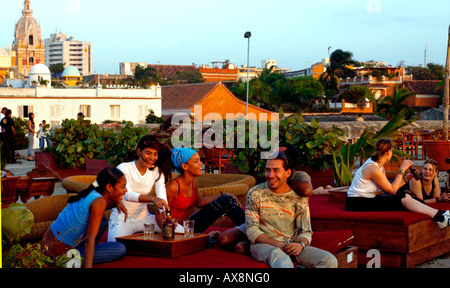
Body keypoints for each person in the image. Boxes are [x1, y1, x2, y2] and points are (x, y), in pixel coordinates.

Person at [242, 152, 337, 268]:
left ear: (288, 173)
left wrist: (300, 245)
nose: (270, 175)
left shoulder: (298, 197)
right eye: (268, 170)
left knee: (329, 260)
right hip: (262, 245)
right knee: (282, 261)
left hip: (291, 245)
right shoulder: (255, 193)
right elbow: (252, 230)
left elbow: (306, 231)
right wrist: (279, 245)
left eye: (276, 170)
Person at [345, 138, 450, 229]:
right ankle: (440, 218)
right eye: (391, 151)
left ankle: (440, 213)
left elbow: (389, 188)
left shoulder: (379, 166)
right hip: (356, 203)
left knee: (406, 196)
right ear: (388, 152)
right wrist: (402, 169)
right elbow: (392, 190)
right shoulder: (373, 168)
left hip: (366, 199)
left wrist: (405, 180)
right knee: (403, 199)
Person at [42, 167, 128, 268]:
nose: (125, 190)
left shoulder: (92, 193)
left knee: (102, 221)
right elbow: (89, 239)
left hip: (47, 247)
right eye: (123, 187)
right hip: (60, 257)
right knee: (119, 248)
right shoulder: (99, 202)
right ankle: (67, 261)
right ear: (109, 187)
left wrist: (117, 202)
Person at [165, 147, 245, 233]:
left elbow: (200, 203)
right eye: (196, 161)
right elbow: (160, 214)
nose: (201, 163)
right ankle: (250, 231)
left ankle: (251, 228)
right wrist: (169, 233)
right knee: (225, 200)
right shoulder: (173, 186)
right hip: (179, 228)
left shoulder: (193, 181)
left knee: (227, 200)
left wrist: (223, 194)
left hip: (190, 224)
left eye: (200, 160)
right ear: (185, 166)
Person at [107, 135, 171, 242]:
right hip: (122, 219)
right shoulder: (124, 168)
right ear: (139, 152)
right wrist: (152, 199)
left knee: (179, 231)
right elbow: (126, 195)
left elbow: (162, 200)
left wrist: (166, 218)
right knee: (115, 247)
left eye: (155, 154)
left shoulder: (157, 171)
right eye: (148, 153)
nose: (152, 158)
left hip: (144, 219)